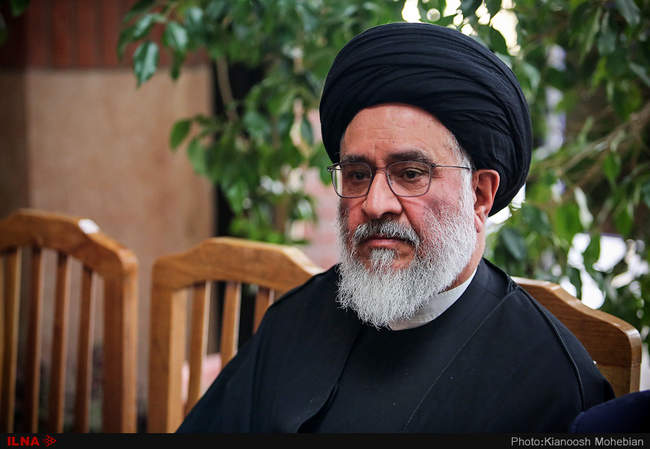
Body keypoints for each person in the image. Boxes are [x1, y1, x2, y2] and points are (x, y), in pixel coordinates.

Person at [177, 22, 614, 433]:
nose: (374, 204)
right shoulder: (297, 318)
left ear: (480, 195)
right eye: (357, 175)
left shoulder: (548, 382)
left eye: (410, 174)